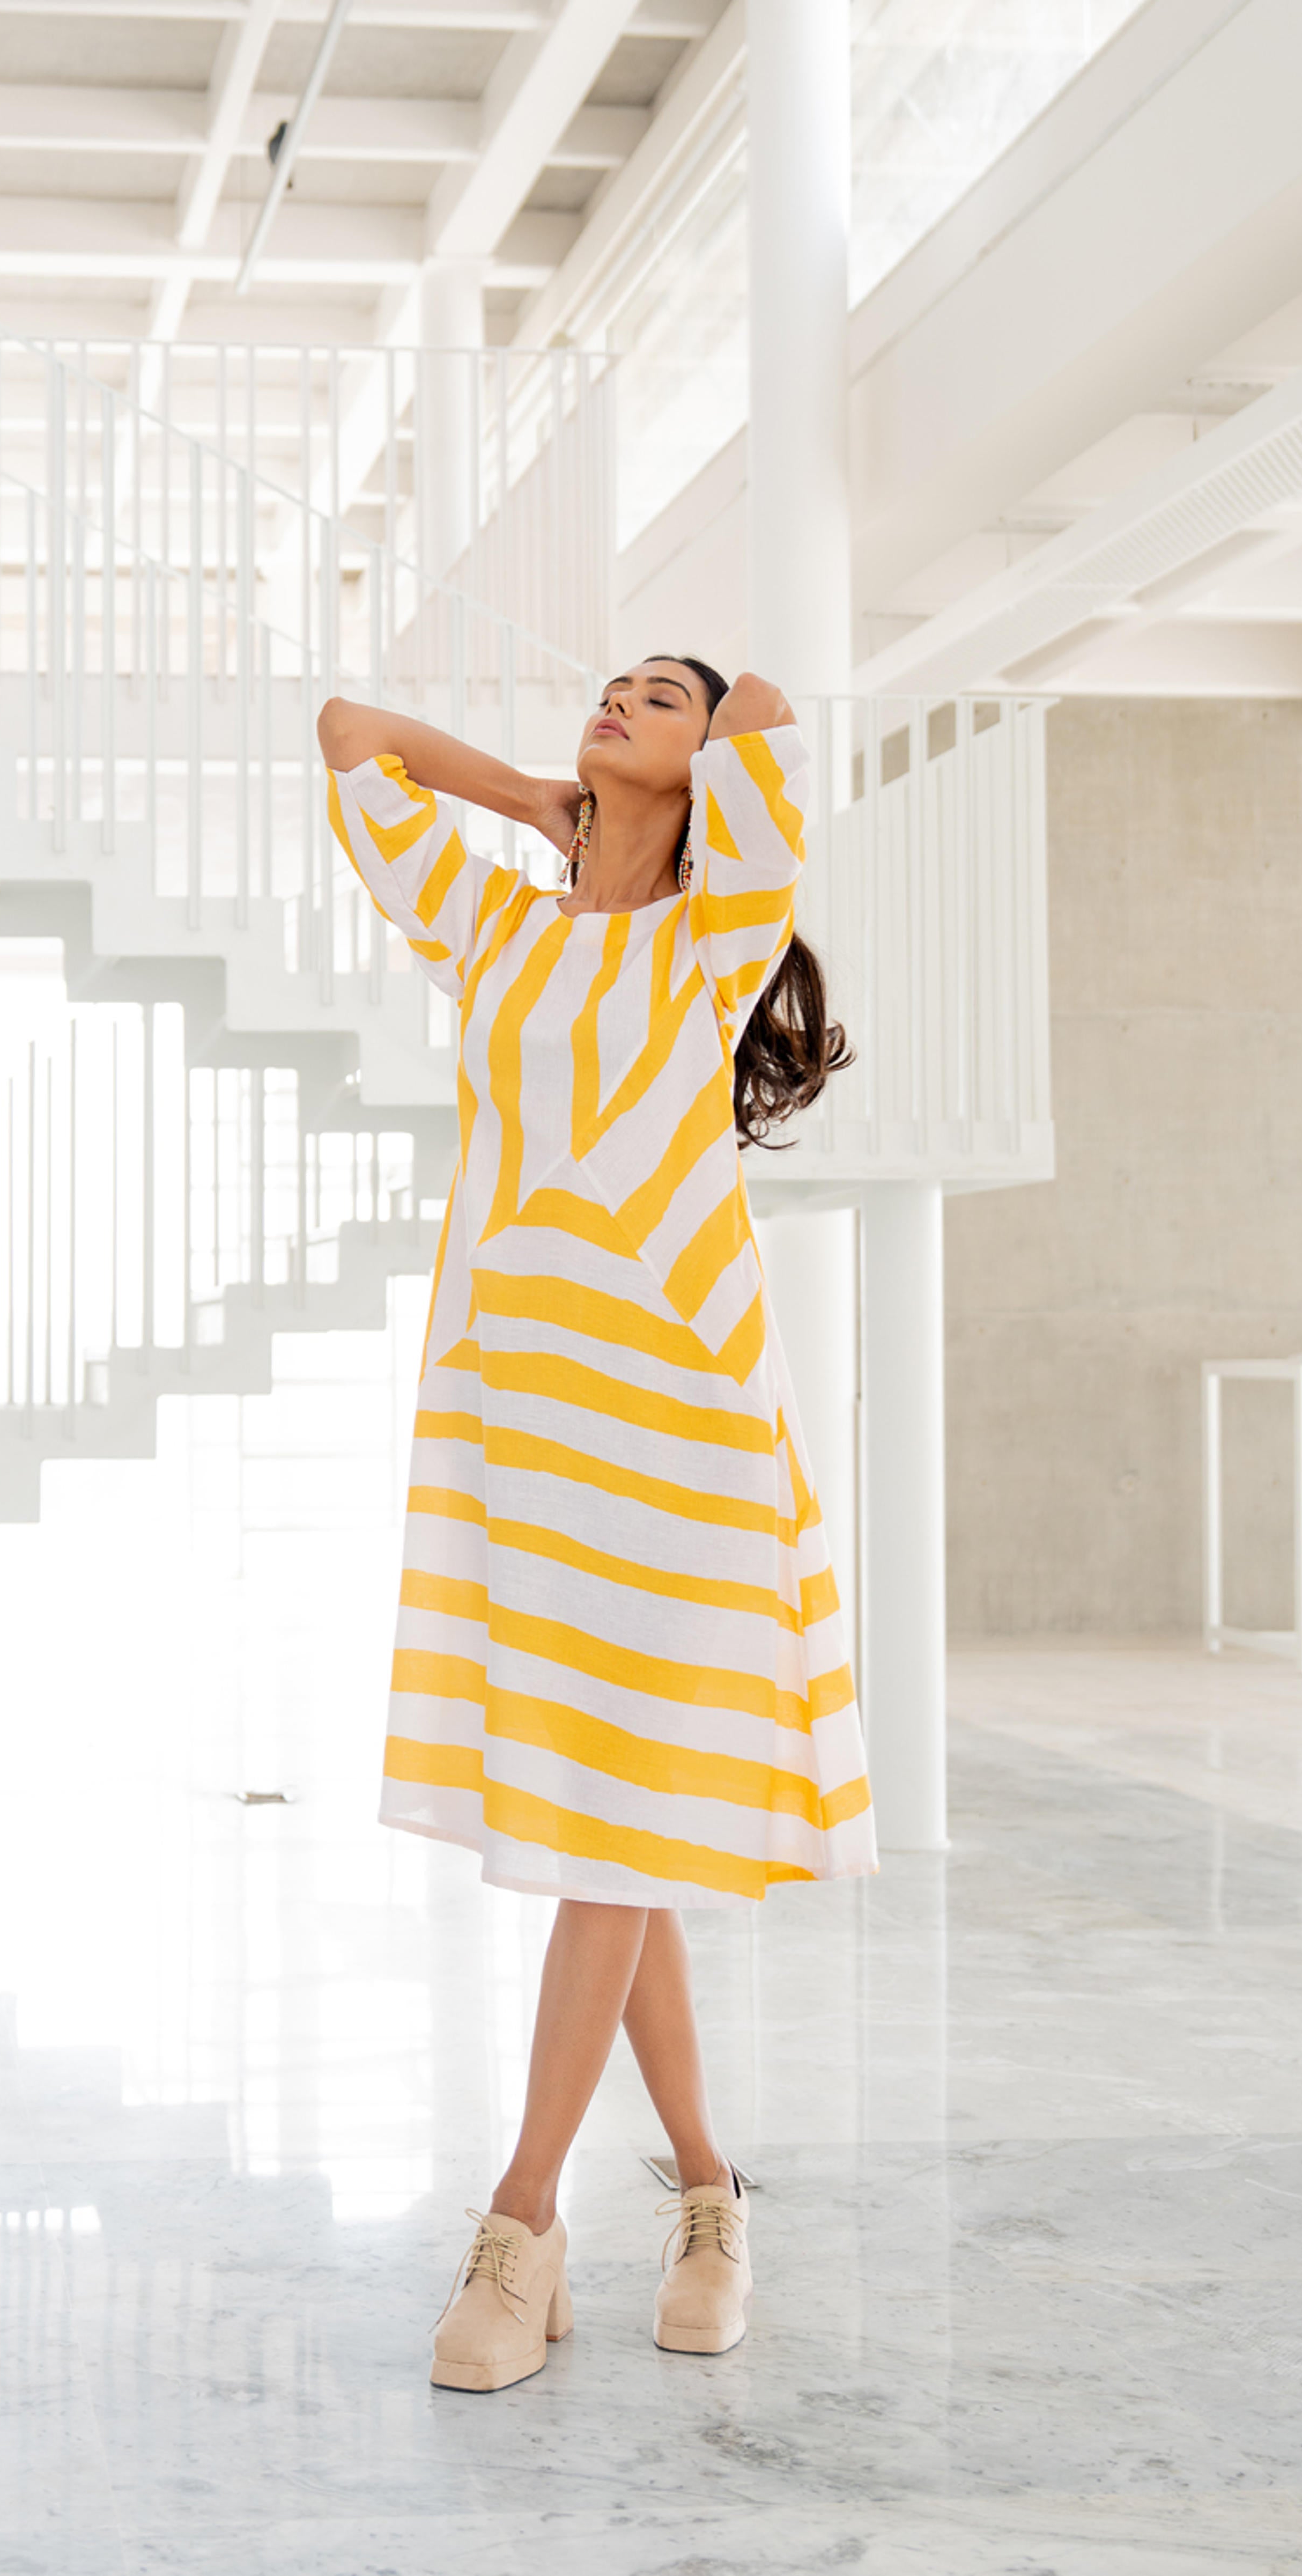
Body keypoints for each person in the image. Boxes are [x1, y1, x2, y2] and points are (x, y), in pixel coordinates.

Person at [319, 657, 875, 2393]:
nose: (623, 698)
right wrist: (534, 802)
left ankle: (523, 2217)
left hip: (682, 1429)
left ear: (703, 767)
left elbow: (768, 704)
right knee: (607, 1827)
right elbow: (351, 739)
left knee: (608, 1839)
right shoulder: (495, 926)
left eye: (657, 698)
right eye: (611, 686)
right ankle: (707, 2197)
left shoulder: (721, 926)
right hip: (528, 1424)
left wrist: (700, 743)